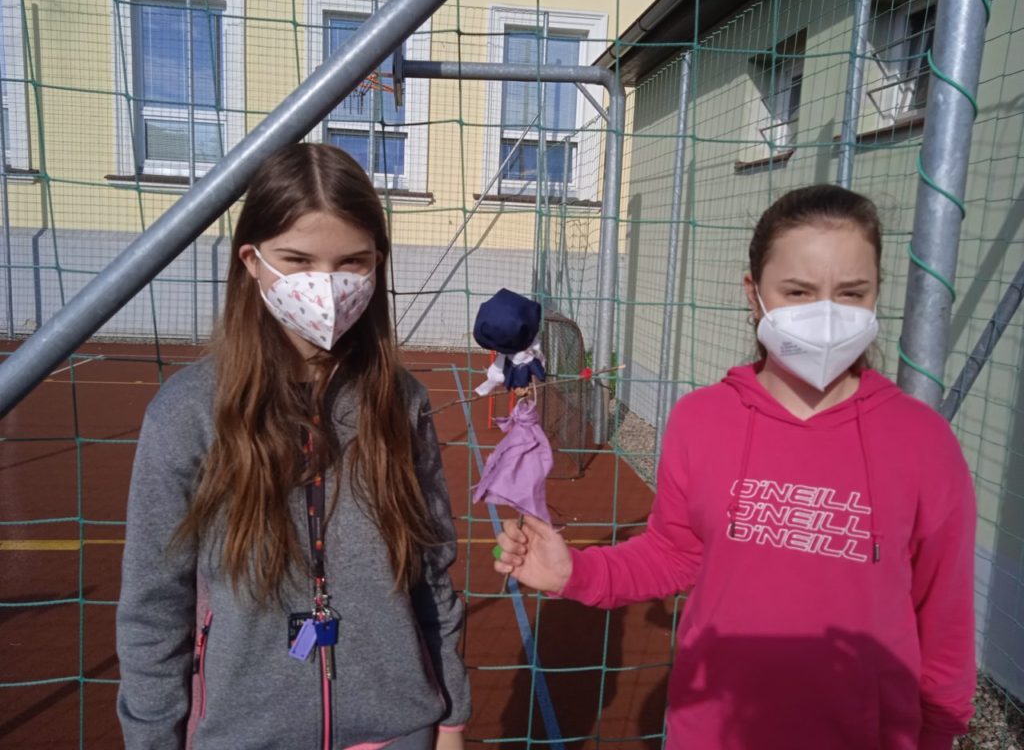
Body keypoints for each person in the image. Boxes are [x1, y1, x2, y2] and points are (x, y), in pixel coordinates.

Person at [494, 184, 976, 750]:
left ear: (876, 296)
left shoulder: (922, 442)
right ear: (755, 294)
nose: (826, 315)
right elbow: (674, 552)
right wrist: (574, 573)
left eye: (851, 293)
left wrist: (938, 734)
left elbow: (944, 619)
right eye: (798, 291)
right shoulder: (702, 420)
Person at [116, 143, 469, 750]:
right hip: (244, 733)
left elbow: (431, 571)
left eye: (351, 263)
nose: (326, 287)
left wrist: (453, 718)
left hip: (397, 730)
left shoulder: (400, 402)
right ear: (252, 261)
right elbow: (153, 607)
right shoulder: (187, 414)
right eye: (299, 261)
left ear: (377, 265)